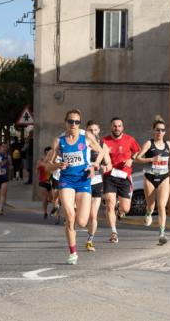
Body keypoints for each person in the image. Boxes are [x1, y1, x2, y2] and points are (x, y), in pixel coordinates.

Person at [46, 109, 104, 265]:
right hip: (67, 181)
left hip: (84, 181)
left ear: (80, 123)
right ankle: (73, 253)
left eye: (77, 122)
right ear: (65, 122)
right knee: (70, 217)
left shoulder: (87, 137)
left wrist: (94, 166)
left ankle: (76, 210)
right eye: (71, 121)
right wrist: (57, 164)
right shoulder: (59, 141)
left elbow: (101, 152)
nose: (73, 124)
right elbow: (47, 166)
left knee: (83, 222)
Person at [136, 115, 170, 245]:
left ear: (165, 132)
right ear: (153, 131)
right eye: (157, 130)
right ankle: (148, 213)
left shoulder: (168, 144)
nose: (160, 132)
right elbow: (137, 158)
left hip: (164, 177)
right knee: (151, 205)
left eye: (162, 130)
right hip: (150, 176)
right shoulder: (149, 143)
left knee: (161, 206)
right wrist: (151, 160)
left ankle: (161, 233)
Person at [102, 117, 140, 244]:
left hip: (124, 176)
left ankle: (120, 209)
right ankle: (114, 232)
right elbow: (100, 157)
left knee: (126, 209)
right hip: (110, 176)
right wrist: (102, 165)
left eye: (119, 126)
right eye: (114, 126)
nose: (117, 128)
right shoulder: (104, 141)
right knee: (109, 203)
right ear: (111, 127)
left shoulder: (130, 139)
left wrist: (132, 159)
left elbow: (137, 151)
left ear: (122, 128)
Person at [85, 120, 111, 252]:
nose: (93, 132)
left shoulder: (102, 146)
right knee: (82, 217)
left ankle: (90, 240)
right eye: (90, 130)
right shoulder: (82, 144)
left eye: (95, 130)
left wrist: (104, 166)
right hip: (82, 182)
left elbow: (109, 164)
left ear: (99, 130)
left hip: (96, 182)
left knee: (93, 215)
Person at [37, 146, 53, 219]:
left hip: (51, 182)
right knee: (44, 198)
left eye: (50, 153)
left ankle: (51, 204)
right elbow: (37, 170)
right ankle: (45, 212)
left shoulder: (54, 160)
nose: (48, 155)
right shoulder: (40, 161)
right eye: (47, 153)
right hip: (43, 181)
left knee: (51, 199)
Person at [0, 143, 12, 215]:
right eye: (3, 147)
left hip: (4, 177)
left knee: (3, 193)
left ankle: (1, 209)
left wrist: (10, 170)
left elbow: (10, 166)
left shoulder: (8, 157)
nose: (4, 148)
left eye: (6, 147)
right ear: (0, 148)